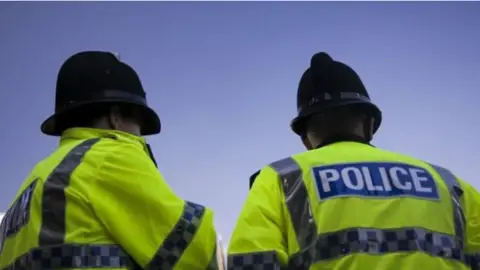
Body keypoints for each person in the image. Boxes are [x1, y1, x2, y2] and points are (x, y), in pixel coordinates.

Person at [227, 52, 480, 270]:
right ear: (370, 125)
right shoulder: (451, 185)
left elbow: (250, 263)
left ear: (305, 139)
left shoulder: (280, 180)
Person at [0, 51, 220, 270]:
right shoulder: (108, 156)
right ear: (115, 117)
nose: (140, 136)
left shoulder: (32, 185)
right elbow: (192, 253)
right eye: (139, 126)